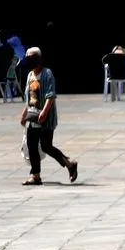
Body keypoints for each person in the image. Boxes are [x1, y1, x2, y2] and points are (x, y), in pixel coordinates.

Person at [19, 47, 77, 186]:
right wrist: (24, 113)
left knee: (45, 145)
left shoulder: (47, 74)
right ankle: (36, 175)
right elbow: (28, 98)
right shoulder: (29, 75)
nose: (29, 59)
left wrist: (44, 112)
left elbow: (50, 95)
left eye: (32, 57)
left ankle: (69, 164)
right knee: (32, 145)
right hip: (32, 115)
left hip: (45, 117)